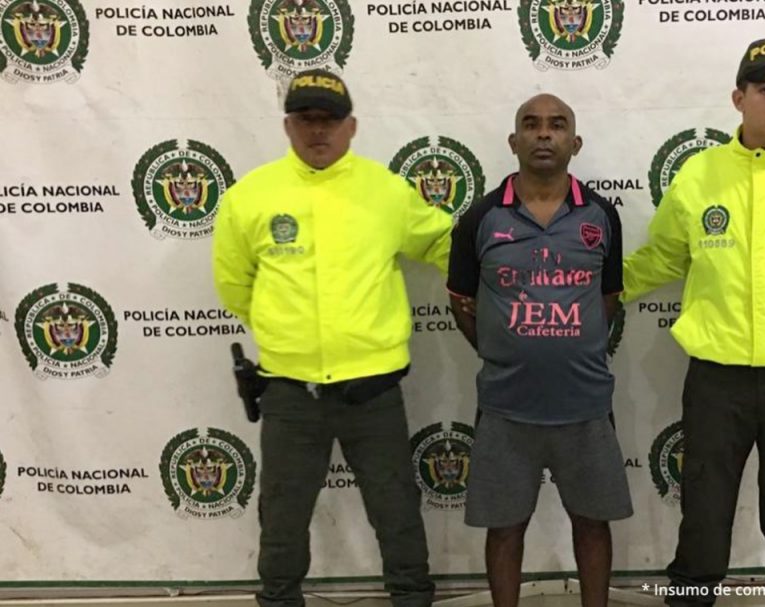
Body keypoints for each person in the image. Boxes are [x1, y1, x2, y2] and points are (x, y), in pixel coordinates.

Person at [622, 38, 765, 606]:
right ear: (739, 97)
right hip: (716, 379)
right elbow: (663, 258)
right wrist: (596, 288)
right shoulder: (699, 177)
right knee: (704, 509)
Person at [211, 69, 451, 607]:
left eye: (330, 121)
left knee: (396, 510)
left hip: (374, 390)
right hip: (290, 392)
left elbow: (444, 246)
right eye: (306, 120)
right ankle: (278, 599)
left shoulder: (387, 192)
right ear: (288, 125)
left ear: (352, 127)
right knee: (282, 514)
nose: (318, 132)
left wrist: (510, 244)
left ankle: (412, 598)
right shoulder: (251, 197)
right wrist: (291, 335)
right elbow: (235, 285)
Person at [447, 94, 633, 607]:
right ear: (514, 142)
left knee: (592, 524)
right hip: (507, 406)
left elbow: (608, 298)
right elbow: (461, 301)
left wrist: (568, 346)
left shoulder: (601, 215)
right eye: (531, 125)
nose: (544, 134)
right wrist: (504, 352)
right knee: (505, 528)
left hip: (585, 403)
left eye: (556, 125)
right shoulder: (481, 217)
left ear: (575, 142)